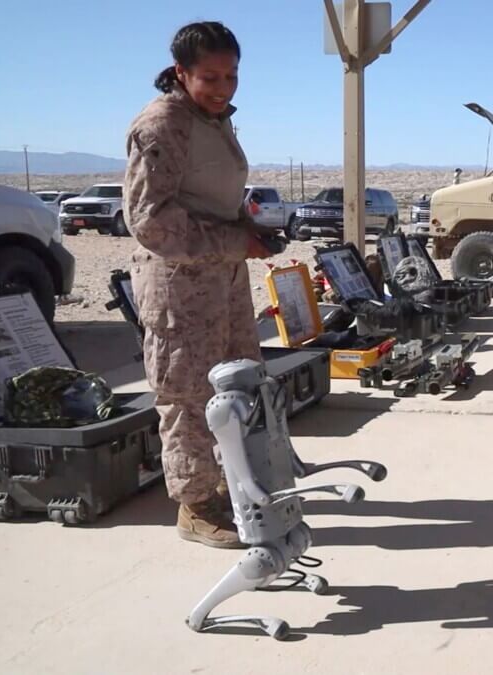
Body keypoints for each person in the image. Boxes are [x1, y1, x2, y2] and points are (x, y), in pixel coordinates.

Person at [124, 21, 276, 548]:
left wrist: (246, 233)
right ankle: (195, 505)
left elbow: (209, 198)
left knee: (238, 385)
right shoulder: (164, 124)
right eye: (210, 76)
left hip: (223, 279)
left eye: (231, 76)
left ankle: (236, 487)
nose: (223, 87)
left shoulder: (210, 120)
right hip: (180, 285)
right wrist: (237, 242)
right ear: (181, 73)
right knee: (188, 395)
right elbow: (150, 220)